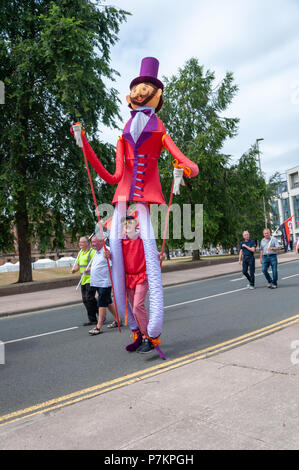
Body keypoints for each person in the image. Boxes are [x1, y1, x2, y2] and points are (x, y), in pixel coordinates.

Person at [88, 232, 120, 336]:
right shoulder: (96, 252)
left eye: (94, 242)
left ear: (102, 241)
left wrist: (109, 257)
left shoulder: (107, 251)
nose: (92, 244)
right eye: (92, 242)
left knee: (101, 303)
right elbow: (99, 266)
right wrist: (90, 270)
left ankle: (98, 327)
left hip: (105, 283)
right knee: (108, 302)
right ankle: (118, 320)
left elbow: (114, 264)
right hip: (98, 282)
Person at [71, 236, 97, 326]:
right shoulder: (80, 253)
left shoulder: (92, 252)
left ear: (87, 243)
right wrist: (74, 270)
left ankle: (93, 319)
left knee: (89, 298)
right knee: (85, 300)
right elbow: (78, 265)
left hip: (91, 279)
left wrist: (89, 270)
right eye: (79, 242)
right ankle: (98, 310)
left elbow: (96, 265)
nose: (80, 244)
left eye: (82, 242)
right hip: (83, 280)